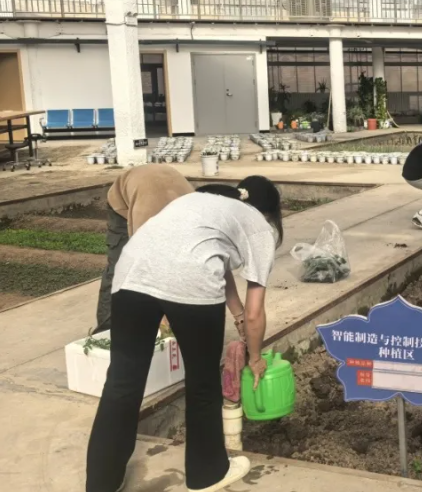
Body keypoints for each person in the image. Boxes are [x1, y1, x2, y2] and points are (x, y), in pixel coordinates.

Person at [86, 176, 283, 492]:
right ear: (269, 211)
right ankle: (207, 474)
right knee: (203, 381)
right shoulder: (260, 226)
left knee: (122, 382)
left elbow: (219, 267)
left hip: (131, 275)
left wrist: (237, 318)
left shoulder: (204, 203)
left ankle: (101, 482)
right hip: (190, 280)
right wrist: (256, 357)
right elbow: (255, 311)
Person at [96, 165, 194, 333]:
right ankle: (107, 330)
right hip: (124, 203)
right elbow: (141, 264)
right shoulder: (145, 218)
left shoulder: (196, 219)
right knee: (120, 269)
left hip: (164, 183)